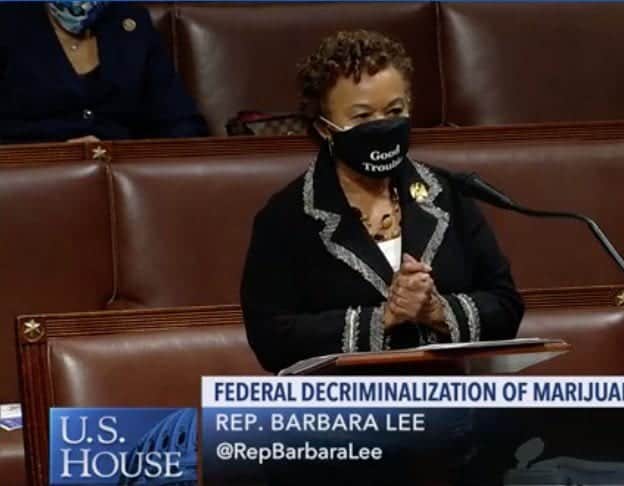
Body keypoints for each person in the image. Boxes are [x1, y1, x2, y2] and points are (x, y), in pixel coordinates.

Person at [240, 30, 523, 485]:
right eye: (363, 116)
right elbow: (271, 335)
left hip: (457, 433)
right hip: (342, 442)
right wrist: (382, 318)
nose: (382, 125)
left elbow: (505, 304)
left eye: (394, 112)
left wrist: (437, 311)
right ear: (323, 128)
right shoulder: (288, 217)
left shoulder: (447, 195)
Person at [0, 2, 207, 143]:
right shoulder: (9, 25)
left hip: (123, 180)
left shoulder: (133, 24)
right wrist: (58, 154)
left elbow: (181, 122)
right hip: (34, 182)